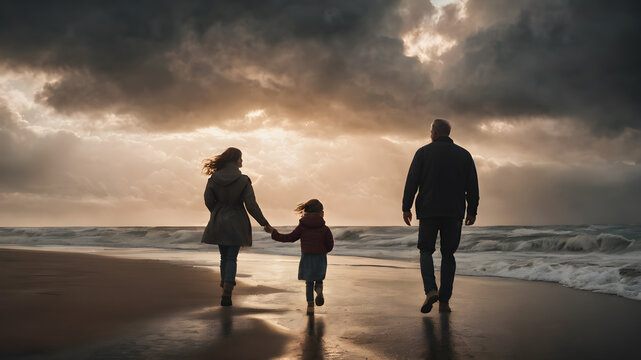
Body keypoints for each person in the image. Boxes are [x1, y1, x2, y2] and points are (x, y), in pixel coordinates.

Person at [402, 119, 479, 314]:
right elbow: (472, 185)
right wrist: (472, 210)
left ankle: (430, 290)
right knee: (448, 254)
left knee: (425, 251)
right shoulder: (464, 155)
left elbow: (412, 181)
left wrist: (406, 207)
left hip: (428, 211)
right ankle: (444, 301)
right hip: (454, 212)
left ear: (435, 132)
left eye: (430, 131)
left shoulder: (423, 153)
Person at [201, 147, 271, 306]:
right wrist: (264, 223)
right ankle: (228, 287)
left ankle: (225, 283)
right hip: (237, 222)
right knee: (232, 257)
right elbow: (251, 205)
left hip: (219, 221)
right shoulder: (243, 180)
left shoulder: (213, 179)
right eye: (240, 158)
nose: (242, 161)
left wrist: (217, 212)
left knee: (223, 257)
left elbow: (208, 200)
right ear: (234, 160)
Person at [265, 199, 334, 315]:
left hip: (307, 257)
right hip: (320, 258)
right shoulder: (325, 229)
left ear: (306, 212)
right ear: (321, 213)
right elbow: (330, 245)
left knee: (309, 282)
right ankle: (319, 290)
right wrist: (324, 251)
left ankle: (310, 307)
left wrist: (273, 232)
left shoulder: (303, 227)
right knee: (318, 279)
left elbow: (289, 238)